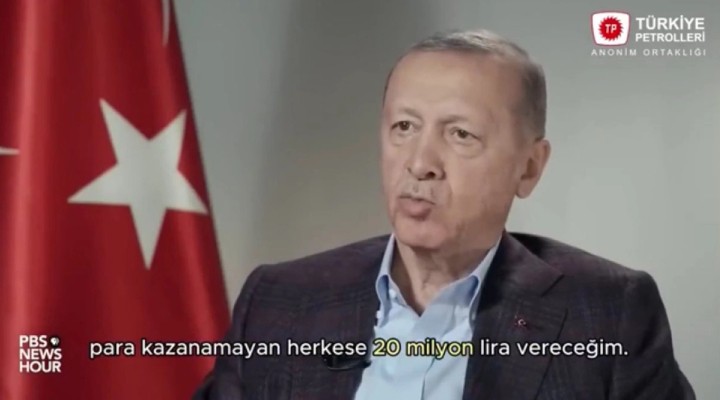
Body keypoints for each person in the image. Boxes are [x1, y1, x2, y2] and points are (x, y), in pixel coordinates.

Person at [193, 29, 694, 400]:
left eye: (460, 134)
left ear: (529, 167)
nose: (420, 163)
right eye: (404, 127)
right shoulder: (280, 301)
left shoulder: (606, 314)